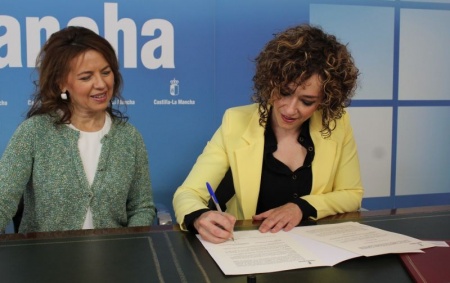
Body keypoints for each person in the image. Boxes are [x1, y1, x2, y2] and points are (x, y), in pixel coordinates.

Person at [173, 23, 364, 243]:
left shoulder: (338, 123)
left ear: (325, 100)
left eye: (307, 101)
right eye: (284, 93)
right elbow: (187, 194)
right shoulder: (235, 122)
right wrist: (199, 217)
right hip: (253, 253)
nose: (290, 109)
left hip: (317, 250)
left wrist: (301, 207)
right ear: (270, 82)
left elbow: (351, 194)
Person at [0, 26, 155, 233]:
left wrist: (128, 245)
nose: (101, 84)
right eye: (86, 77)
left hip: (115, 260)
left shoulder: (129, 137)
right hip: (44, 259)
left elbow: (141, 207)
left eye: (106, 72)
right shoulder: (34, 133)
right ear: (61, 83)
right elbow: (2, 201)